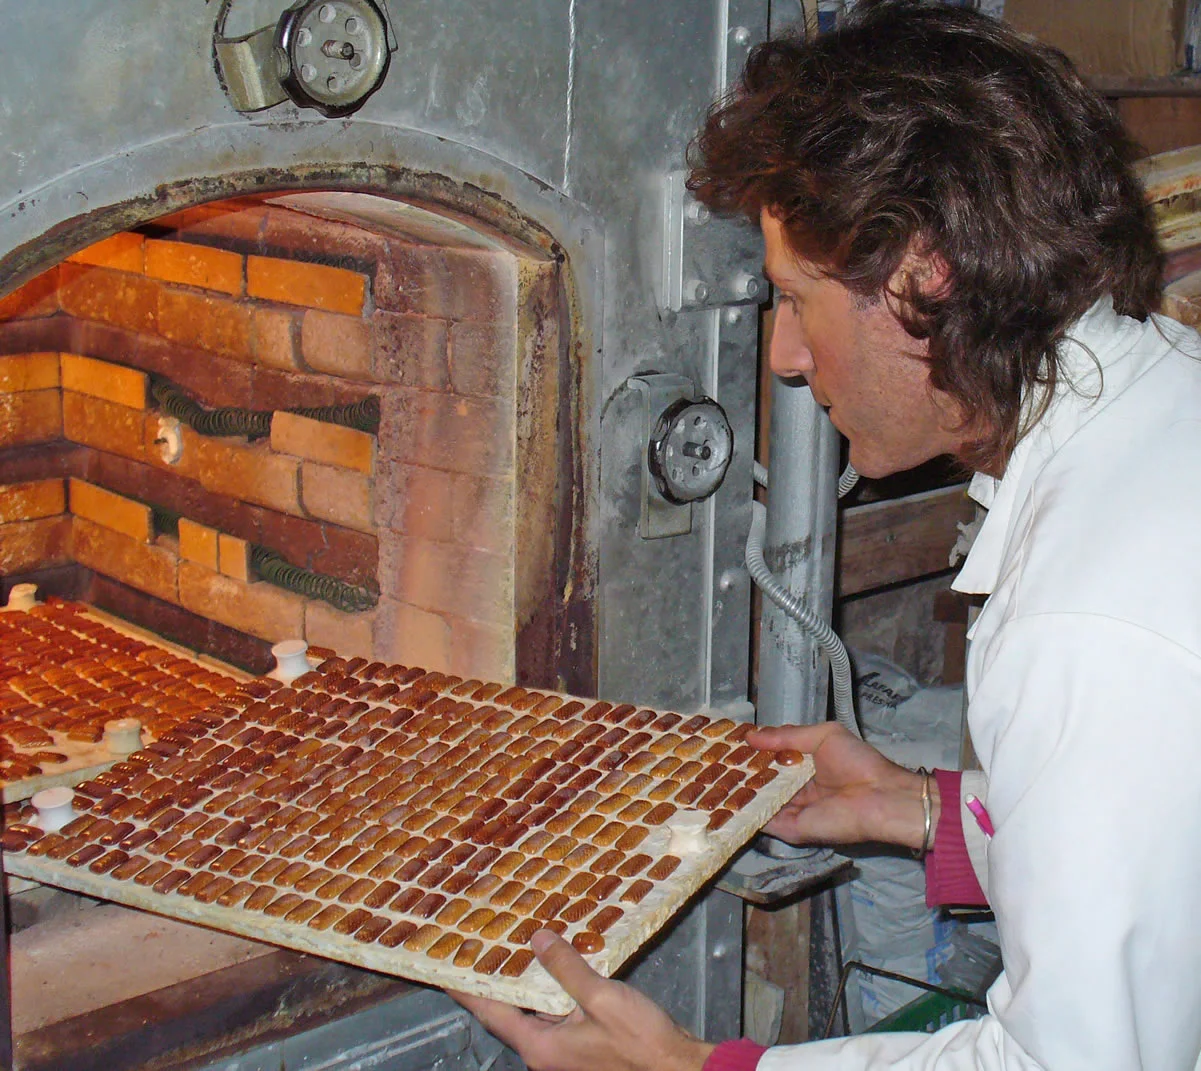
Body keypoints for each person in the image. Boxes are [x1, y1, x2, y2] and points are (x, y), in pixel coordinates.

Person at [453, 2, 1201, 1067]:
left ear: (922, 276)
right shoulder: (1166, 400)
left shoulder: (1088, 622)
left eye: (797, 300)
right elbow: (1166, 849)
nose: (786, 357)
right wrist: (925, 815)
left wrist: (688, 1068)